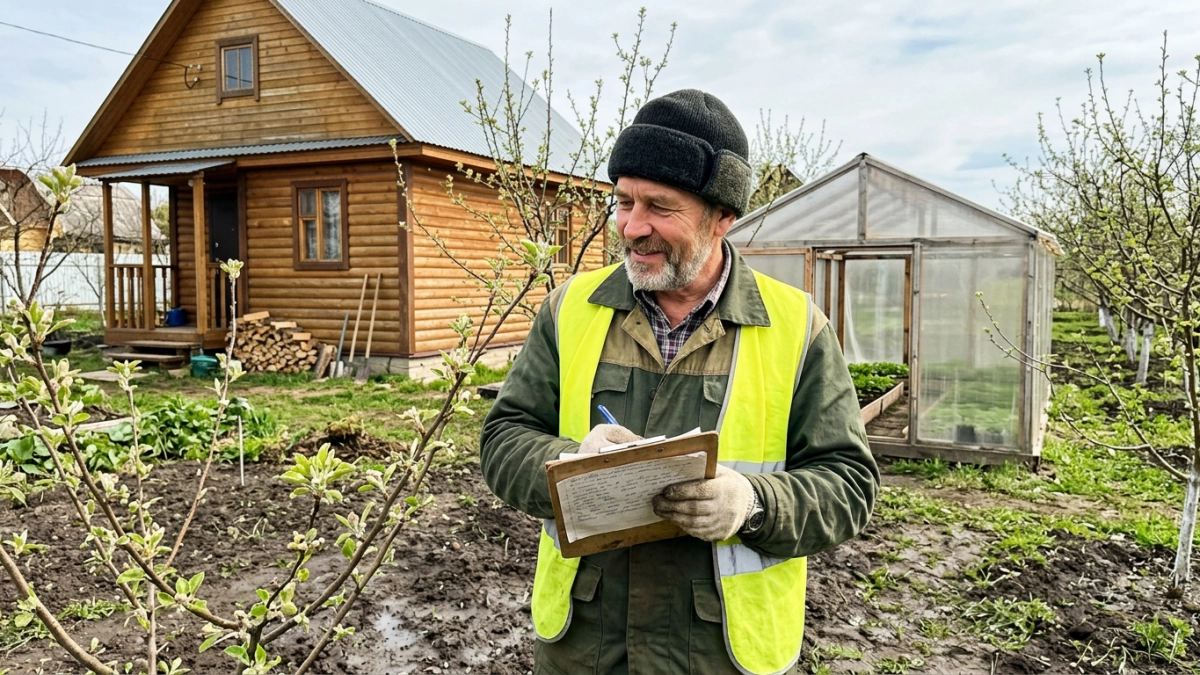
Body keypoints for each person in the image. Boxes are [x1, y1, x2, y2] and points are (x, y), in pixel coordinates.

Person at [480, 89, 879, 675]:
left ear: (722, 219)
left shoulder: (797, 328)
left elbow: (849, 486)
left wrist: (752, 504)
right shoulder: (570, 309)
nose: (632, 227)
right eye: (623, 202)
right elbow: (504, 439)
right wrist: (571, 461)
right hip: (586, 647)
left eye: (660, 207)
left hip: (719, 653)